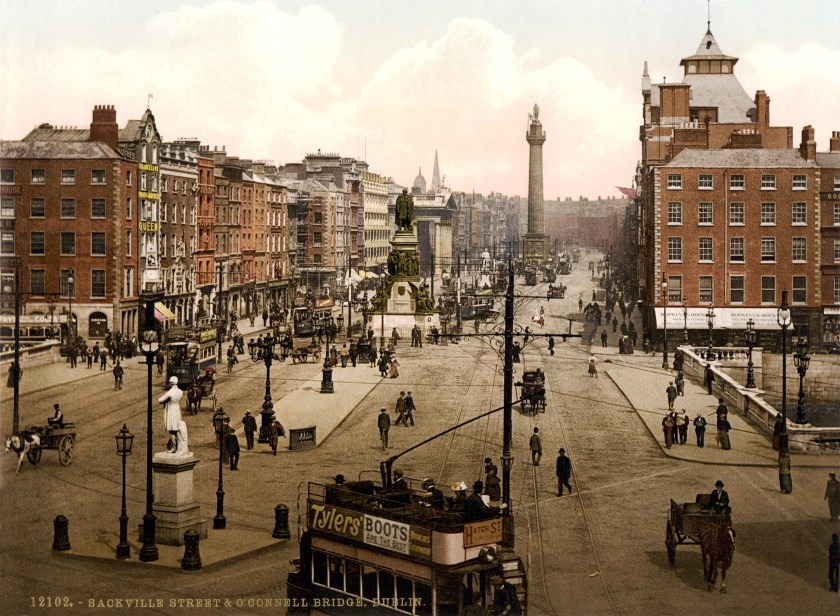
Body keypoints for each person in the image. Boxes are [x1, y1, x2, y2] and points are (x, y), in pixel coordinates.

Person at [159, 376, 186, 454]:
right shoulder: (180, 391)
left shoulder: (170, 393)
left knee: (171, 430)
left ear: (170, 383)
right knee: (177, 429)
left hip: (171, 411)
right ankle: (178, 447)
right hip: (177, 410)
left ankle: (174, 448)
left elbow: (160, 400)